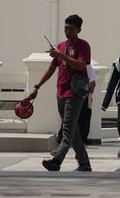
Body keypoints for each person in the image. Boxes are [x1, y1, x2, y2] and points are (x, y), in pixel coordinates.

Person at [28, 14, 92, 172]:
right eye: (65, 28)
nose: (67, 31)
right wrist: (37, 86)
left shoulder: (83, 46)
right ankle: (84, 163)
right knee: (73, 130)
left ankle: (56, 161)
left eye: (71, 29)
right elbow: (51, 69)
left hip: (75, 94)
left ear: (79, 30)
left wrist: (61, 55)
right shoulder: (61, 46)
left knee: (67, 131)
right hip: (61, 93)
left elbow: (81, 65)